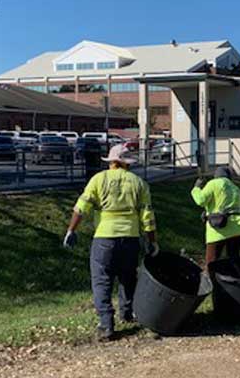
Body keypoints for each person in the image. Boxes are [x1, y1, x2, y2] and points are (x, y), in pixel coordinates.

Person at [63, 144, 158, 341]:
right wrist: (151, 241)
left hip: (104, 238)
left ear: (111, 162)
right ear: (127, 164)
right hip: (130, 238)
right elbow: (147, 216)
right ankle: (127, 312)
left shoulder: (98, 179)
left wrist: (72, 230)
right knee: (127, 277)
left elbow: (81, 207)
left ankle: (106, 324)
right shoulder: (139, 183)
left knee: (101, 280)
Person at [191, 167, 240, 268]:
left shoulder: (214, 183)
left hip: (219, 229)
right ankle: (235, 281)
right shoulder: (235, 187)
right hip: (238, 228)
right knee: (233, 261)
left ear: (216, 176)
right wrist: (208, 212)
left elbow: (201, 200)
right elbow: (229, 206)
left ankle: (210, 282)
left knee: (212, 262)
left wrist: (196, 188)